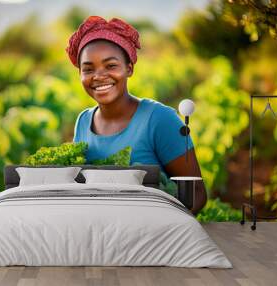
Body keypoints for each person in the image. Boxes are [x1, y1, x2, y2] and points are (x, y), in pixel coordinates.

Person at [66, 16, 207, 214]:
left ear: (129, 68)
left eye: (111, 66)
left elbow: (197, 194)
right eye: (88, 69)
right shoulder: (83, 121)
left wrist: (161, 235)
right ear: (80, 74)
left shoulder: (160, 119)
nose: (98, 76)